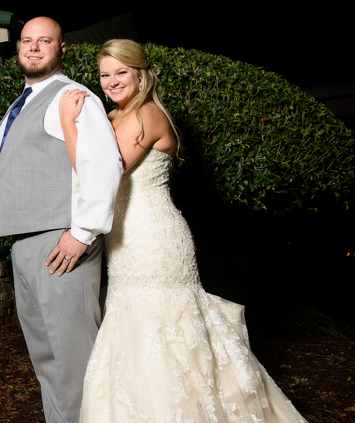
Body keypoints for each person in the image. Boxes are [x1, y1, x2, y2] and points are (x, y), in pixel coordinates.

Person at [59, 39, 306, 422]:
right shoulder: (109, 118)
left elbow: (99, 176)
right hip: (123, 245)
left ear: (141, 74)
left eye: (121, 72)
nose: (111, 81)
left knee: (163, 336)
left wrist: (67, 123)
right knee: (132, 336)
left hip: (155, 240)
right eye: (105, 74)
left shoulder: (150, 115)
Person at [0, 17, 123, 423]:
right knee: (47, 359)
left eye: (44, 41)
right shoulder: (19, 105)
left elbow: (104, 165)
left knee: (72, 360)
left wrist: (82, 234)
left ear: (61, 49)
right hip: (25, 243)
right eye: (26, 41)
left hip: (60, 242)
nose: (33, 47)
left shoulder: (74, 95)